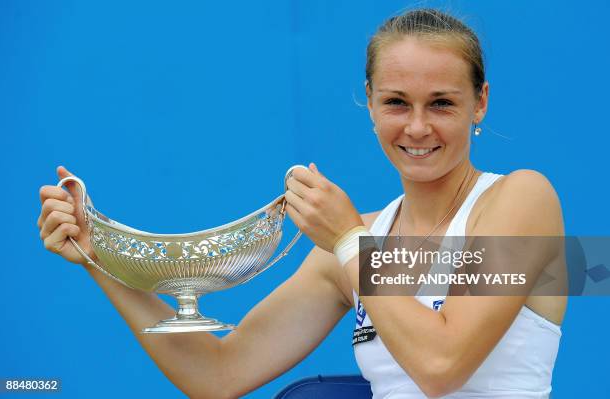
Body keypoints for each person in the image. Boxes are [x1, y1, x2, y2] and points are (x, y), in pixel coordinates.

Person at [37, 9, 566, 399]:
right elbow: (219, 373)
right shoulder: (353, 240)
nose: (418, 126)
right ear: (371, 105)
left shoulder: (521, 198)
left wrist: (348, 242)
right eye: (396, 102)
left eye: (443, 103)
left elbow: (441, 364)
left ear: (481, 102)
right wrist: (96, 257)